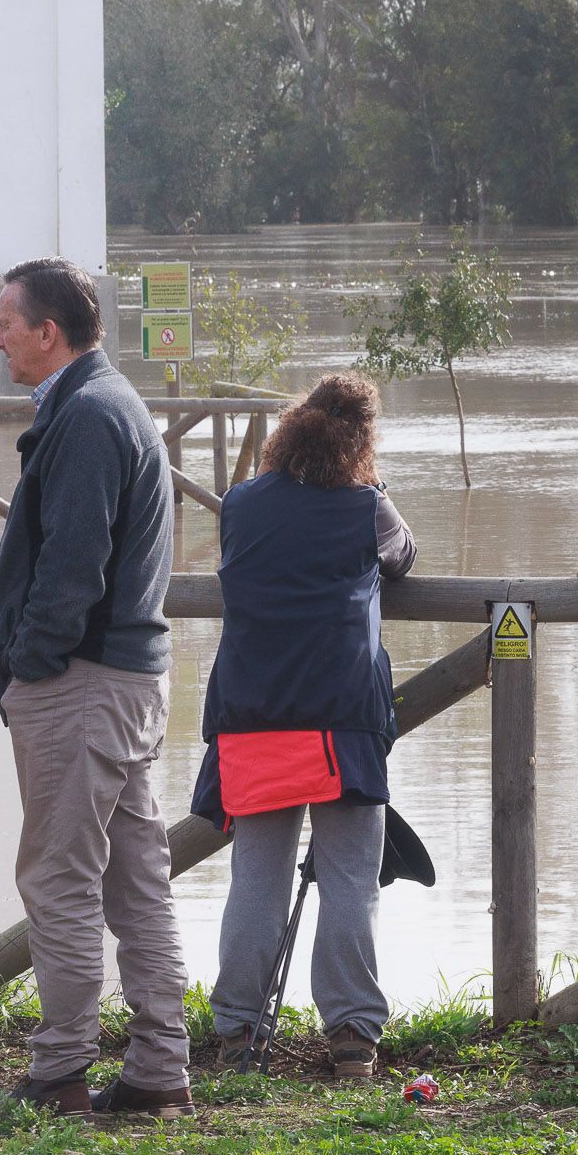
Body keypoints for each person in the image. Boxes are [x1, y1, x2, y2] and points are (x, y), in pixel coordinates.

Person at [0, 258, 191, 1119]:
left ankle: (60, 1070)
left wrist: (30, 662)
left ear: (48, 332)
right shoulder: (106, 404)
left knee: (61, 878)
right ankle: (157, 1069)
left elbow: (73, 564)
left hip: (82, 682)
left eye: (6, 321)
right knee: (137, 880)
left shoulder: (89, 416)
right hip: (123, 679)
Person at [189, 373, 418, 1082]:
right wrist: (373, 490)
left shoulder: (240, 504)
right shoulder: (365, 505)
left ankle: (237, 1030)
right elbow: (406, 558)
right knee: (351, 877)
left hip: (253, 714)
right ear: (361, 441)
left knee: (255, 876)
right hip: (340, 720)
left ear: (291, 428)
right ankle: (352, 1034)